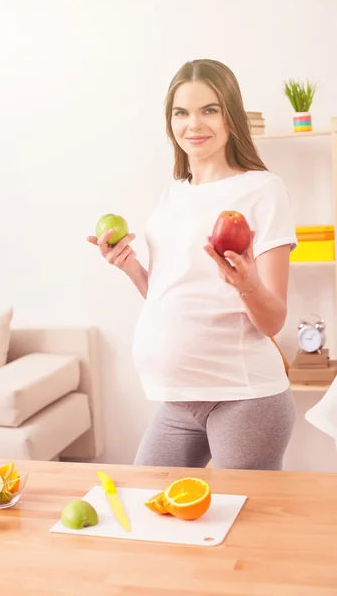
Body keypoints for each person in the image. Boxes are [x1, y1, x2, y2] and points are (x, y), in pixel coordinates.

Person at [87, 59, 297, 470]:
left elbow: (273, 322)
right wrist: (133, 270)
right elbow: (172, 297)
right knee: (150, 507)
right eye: (181, 113)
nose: (194, 124)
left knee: (246, 527)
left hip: (243, 396)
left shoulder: (262, 189)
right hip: (178, 399)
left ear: (230, 116)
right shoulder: (172, 196)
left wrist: (249, 285)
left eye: (209, 110)